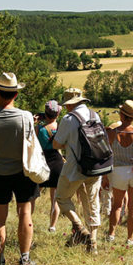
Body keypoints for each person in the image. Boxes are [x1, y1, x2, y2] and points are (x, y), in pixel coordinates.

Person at [0, 72, 39, 265]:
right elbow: (31, 142)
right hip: (23, 171)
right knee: (25, 214)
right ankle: (24, 259)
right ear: (15, 95)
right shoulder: (26, 117)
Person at [53, 90, 104, 253]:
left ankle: (80, 228)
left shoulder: (68, 119)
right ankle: (93, 244)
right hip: (96, 165)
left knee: (61, 197)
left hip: (75, 167)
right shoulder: (95, 115)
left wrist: (68, 144)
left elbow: (56, 144)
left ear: (70, 104)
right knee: (92, 203)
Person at [106, 100, 133, 247]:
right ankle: (130, 238)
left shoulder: (112, 133)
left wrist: (105, 176)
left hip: (118, 171)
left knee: (117, 205)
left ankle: (111, 234)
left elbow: (106, 156)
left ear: (121, 115)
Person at [37, 100, 64, 233]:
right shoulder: (60, 127)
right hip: (58, 162)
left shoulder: (39, 129)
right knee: (55, 199)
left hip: (43, 161)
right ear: (57, 114)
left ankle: (26, 217)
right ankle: (52, 226)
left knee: (34, 193)